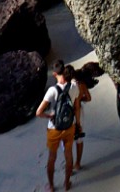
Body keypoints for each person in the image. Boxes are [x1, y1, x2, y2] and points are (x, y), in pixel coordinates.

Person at [36, 62, 89, 191]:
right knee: (68, 155)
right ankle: (66, 183)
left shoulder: (52, 90)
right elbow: (76, 107)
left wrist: (50, 116)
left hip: (54, 128)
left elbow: (38, 112)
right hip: (69, 126)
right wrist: (78, 124)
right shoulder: (74, 87)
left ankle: (51, 186)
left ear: (54, 74)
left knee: (52, 157)